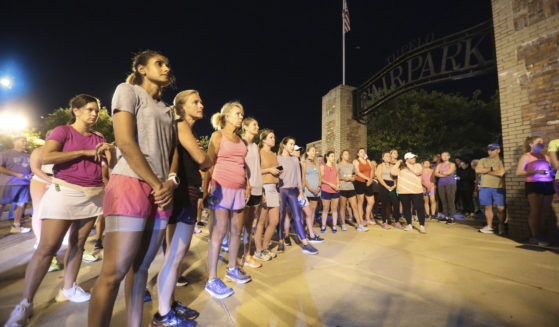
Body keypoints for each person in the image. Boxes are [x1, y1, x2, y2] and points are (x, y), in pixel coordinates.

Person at [88, 50, 182, 327]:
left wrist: (171, 181)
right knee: (114, 272)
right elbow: (125, 141)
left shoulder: (168, 109)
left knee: (141, 268)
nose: (166, 68)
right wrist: (156, 183)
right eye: (159, 63)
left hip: (162, 192)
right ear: (141, 68)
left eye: (167, 64)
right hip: (131, 184)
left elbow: (173, 150)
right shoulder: (127, 91)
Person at [6, 94, 115, 327]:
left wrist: (108, 153)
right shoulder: (62, 131)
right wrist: (84, 153)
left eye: (96, 110)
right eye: (89, 109)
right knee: (47, 248)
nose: (94, 114)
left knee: (79, 243)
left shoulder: (99, 136)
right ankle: (25, 303)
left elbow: (106, 166)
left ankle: (69, 287)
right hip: (65, 191)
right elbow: (48, 156)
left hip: (93, 194)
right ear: (75, 110)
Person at [154, 90, 211, 325]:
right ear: (181, 107)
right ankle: (164, 314)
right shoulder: (181, 125)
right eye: (195, 102)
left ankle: (169, 303)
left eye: (200, 100)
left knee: (173, 256)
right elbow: (203, 160)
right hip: (183, 194)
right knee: (175, 256)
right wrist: (206, 157)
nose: (201, 105)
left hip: (184, 193)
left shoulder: (183, 128)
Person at [203, 101, 251, 300]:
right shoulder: (217, 135)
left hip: (239, 189)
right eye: (238, 114)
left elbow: (242, 165)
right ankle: (212, 279)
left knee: (236, 230)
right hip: (221, 188)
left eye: (242, 114)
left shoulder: (242, 141)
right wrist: (205, 190)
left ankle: (232, 268)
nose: (241, 117)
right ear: (227, 116)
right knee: (219, 230)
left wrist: (247, 185)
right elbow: (208, 163)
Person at [277, 137, 319, 254]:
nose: (292, 146)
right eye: (290, 144)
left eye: (293, 144)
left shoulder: (295, 160)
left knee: (298, 217)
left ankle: (305, 243)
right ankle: (281, 242)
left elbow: (298, 177)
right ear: (284, 145)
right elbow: (277, 176)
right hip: (282, 191)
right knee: (281, 217)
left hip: (293, 191)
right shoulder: (277, 159)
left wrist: (300, 191)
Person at [516, 137, 555, 245]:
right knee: (536, 211)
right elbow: (519, 172)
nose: (541, 144)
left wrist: (551, 173)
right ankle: (535, 236)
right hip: (534, 184)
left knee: (545, 212)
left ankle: (541, 234)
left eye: (542, 142)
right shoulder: (526, 156)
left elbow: (551, 170)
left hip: (547, 184)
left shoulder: (546, 156)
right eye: (539, 142)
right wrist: (535, 172)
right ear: (531, 144)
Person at [240, 117, 264, 268]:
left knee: (249, 224)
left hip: (256, 188)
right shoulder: (240, 143)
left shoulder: (255, 146)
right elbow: (241, 166)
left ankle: (246, 256)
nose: (257, 127)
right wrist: (245, 185)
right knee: (238, 224)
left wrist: (261, 189)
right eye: (254, 125)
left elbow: (258, 168)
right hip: (244, 189)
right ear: (245, 127)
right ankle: (233, 258)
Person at [253, 129, 281, 261]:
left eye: (274, 137)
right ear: (263, 139)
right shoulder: (259, 152)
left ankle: (264, 248)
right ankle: (258, 251)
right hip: (263, 187)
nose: (273, 139)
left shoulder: (273, 154)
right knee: (261, 221)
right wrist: (269, 170)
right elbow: (255, 170)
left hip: (274, 188)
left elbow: (276, 169)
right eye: (270, 137)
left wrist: (278, 172)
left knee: (274, 221)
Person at [0, 136, 32, 233]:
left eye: (26, 141)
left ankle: (16, 226)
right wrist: (16, 174)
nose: (25, 143)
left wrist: (31, 174)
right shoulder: (6, 154)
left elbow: (33, 168)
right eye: (23, 141)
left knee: (20, 205)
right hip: (7, 183)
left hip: (23, 184)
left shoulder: (29, 156)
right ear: (15, 142)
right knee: (1, 204)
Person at [391, 153, 426, 233]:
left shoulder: (418, 165)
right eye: (412, 158)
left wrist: (407, 164)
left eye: (414, 157)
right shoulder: (401, 167)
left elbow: (418, 172)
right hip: (404, 191)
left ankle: (422, 225)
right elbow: (393, 172)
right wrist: (397, 163)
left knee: (419, 208)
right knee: (406, 209)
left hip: (416, 191)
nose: (414, 159)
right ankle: (409, 224)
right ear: (407, 159)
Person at [476, 143, 506, 235]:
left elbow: (501, 173)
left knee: (500, 208)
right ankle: (489, 226)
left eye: (492, 150)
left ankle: (501, 225)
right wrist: (492, 169)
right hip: (485, 187)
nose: (490, 152)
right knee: (487, 207)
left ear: (498, 150)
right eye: (489, 150)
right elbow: (478, 170)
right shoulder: (483, 160)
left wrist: (486, 171)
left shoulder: (502, 160)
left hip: (498, 187)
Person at [338, 150, 367, 231]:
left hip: (351, 188)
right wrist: (342, 178)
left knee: (354, 207)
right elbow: (336, 177)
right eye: (346, 154)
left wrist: (351, 178)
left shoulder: (351, 166)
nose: (347, 155)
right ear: (342, 156)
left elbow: (355, 177)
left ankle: (359, 225)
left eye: (348, 154)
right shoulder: (338, 165)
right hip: (342, 188)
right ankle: (343, 224)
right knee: (343, 207)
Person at [301, 146, 325, 242]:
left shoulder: (317, 164)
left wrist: (319, 187)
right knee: (307, 211)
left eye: (315, 151)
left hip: (317, 190)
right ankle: (305, 229)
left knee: (313, 210)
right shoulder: (304, 163)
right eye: (312, 151)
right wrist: (310, 188)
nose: (314, 152)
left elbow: (320, 176)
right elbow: (304, 178)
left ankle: (310, 230)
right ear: (307, 152)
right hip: (308, 190)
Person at [376, 152, 401, 229]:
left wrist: (395, 185)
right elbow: (379, 177)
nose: (388, 157)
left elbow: (395, 177)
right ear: (383, 158)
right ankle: (384, 222)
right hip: (383, 184)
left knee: (396, 203)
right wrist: (386, 186)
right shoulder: (380, 166)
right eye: (386, 156)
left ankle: (397, 222)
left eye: (389, 156)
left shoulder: (393, 166)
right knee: (384, 204)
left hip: (392, 185)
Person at [353, 148, 376, 226]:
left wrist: (370, 179)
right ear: (358, 154)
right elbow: (357, 172)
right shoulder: (356, 161)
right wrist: (368, 179)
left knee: (371, 201)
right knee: (360, 202)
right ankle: (361, 219)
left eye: (364, 152)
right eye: (361, 152)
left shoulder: (368, 161)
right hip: (360, 182)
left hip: (368, 182)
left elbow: (372, 170)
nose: (363, 153)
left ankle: (367, 218)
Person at [320, 151, 340, 233]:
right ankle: (323, 226)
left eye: (334, 156)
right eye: (332, 156)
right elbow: (321, 179)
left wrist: (338, 185)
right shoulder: (323, 167)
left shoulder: (335, 167)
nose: (333, 158)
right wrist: (330, 184)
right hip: (326, 190)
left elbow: (337, 177)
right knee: (325, 209)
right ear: (327, 157)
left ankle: (334, 226)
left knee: (334, 209)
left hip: (335, 190)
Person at [435, 152, 457, 224]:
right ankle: (446, 216)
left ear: (449, 156)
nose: (444, 157)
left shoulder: (452, 164)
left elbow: (449, 172)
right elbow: (436, 173)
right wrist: (444, 173)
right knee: (443, 200)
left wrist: (441, 173)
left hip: (450, 183)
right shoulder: (439, 165)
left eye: (445, 155)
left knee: (450, 200)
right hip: (441, 184)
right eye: (442, 156)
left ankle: (452, 217)